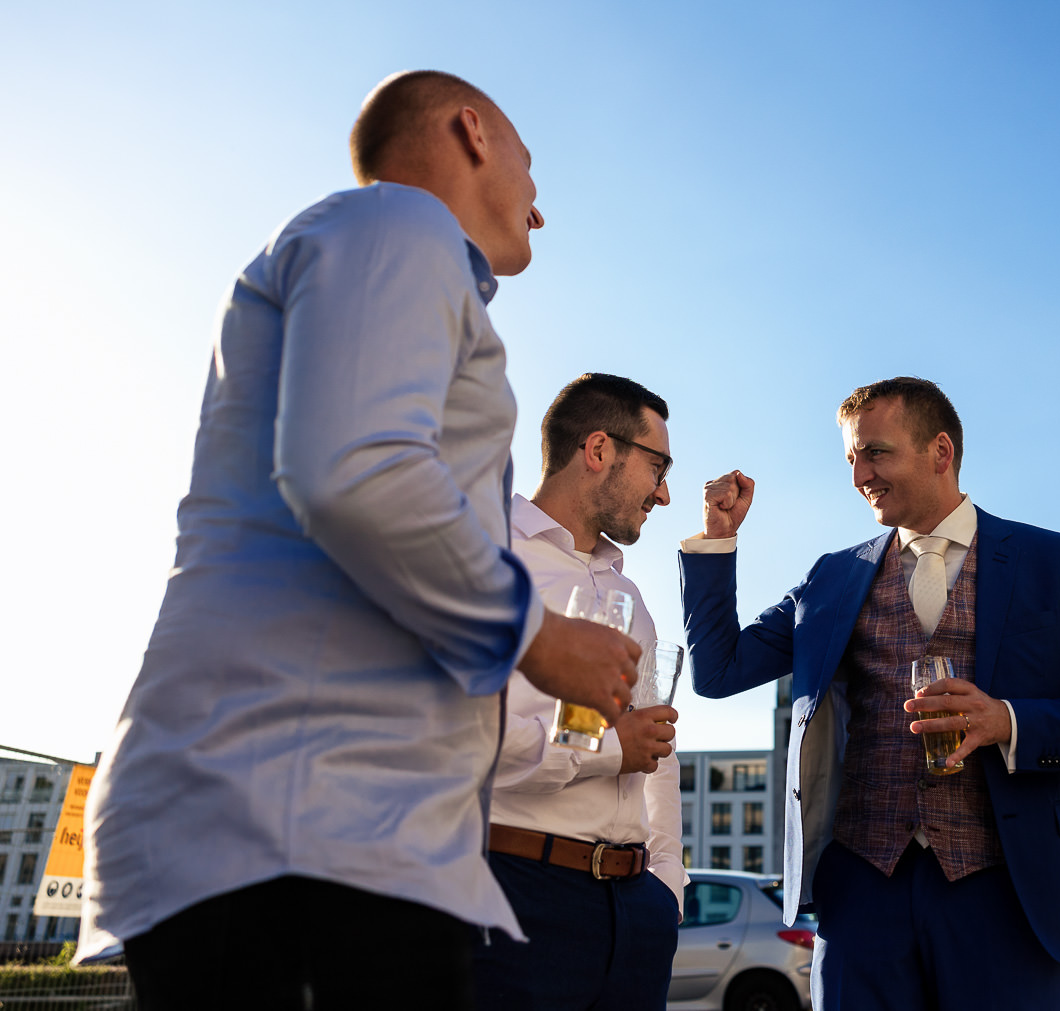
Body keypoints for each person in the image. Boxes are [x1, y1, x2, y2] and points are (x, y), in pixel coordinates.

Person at [77, 72, 641, 1009]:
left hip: (328, 828)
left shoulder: (379, 250)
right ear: (471, 132)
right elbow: (357, 466)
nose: (540, 208)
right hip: (296, 830)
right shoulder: (402, 226)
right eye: (531, 166)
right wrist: (538, 641)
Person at [681, 376, 1060, 1011]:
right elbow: (718, 671)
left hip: (1009, 888)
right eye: (851, 458)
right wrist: (717, 539)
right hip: (863, 887)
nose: (859, 477)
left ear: (941, 451)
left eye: (875, 453)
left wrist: (1008, 721)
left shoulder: (1054, 560)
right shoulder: (833, 576)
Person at [473, 373, 685, 1010]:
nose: (665, 492)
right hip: (514, 895)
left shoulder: (631, 598)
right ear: (598, 451)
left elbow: (659, 751)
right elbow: (468, 740)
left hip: (633, 915)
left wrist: (666, 890)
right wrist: (605, 747)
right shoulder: (482, 558)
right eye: (657, 466)